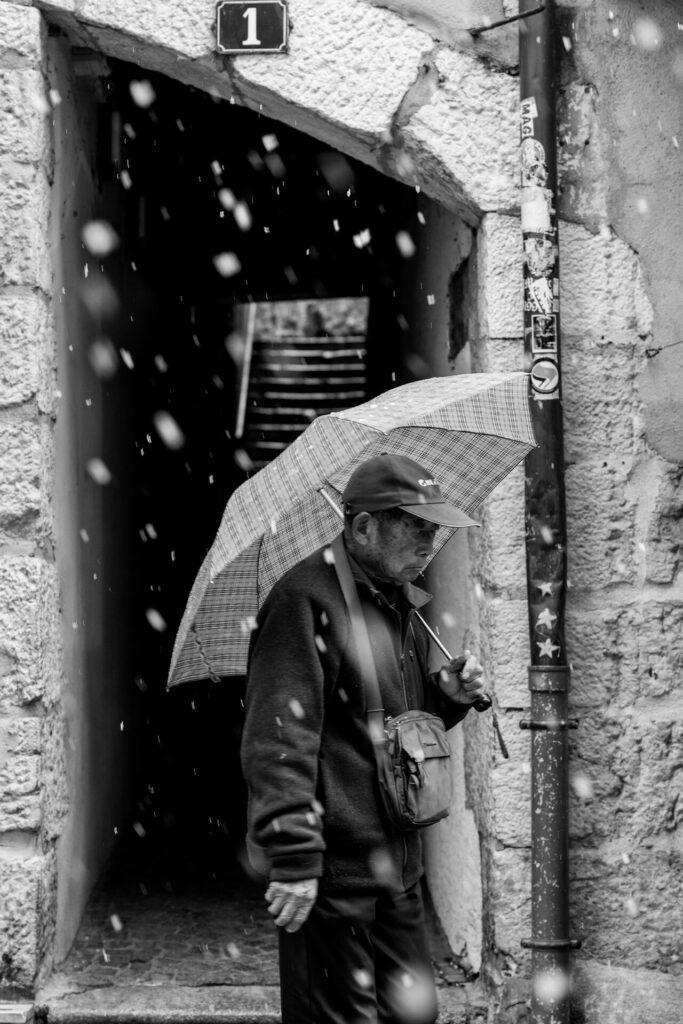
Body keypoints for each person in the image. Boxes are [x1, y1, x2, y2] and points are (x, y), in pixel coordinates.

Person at [240, 454, 487, 1024]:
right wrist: (296, 859)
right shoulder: (304, 600)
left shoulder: (396, 600)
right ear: (362, 527)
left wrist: (445, 696)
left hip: (396, 870)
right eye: (416, 526)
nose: (430, 542)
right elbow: (277, 741)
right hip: (333, 878)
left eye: (435, 528)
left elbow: (393, 732)